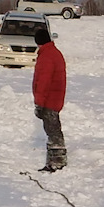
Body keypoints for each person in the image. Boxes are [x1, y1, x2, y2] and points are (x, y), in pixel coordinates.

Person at [31, 21, 67, 171]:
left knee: (53, 130)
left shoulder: (47, 56)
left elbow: (43, 81)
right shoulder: (52, 53)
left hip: (50, 100)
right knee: (52, 129)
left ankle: (57, 162)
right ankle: (55, 161)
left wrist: (39, 103)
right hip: (54, 98)